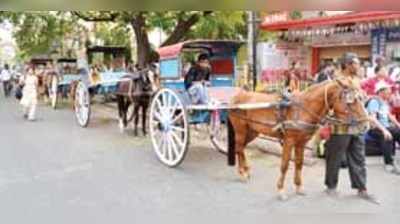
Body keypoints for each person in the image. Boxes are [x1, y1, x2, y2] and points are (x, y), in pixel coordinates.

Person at [324, 52, 378, 203]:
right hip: (341, 125)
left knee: (359, 157)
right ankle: (331, 186)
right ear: (347, 65)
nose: (359, 66)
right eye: (356, 63)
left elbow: (361, 99)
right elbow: (328, 103)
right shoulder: (336, 81)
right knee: (335, 157)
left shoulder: (357, 80)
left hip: (358, 124)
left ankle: (362, 188)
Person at [366, 81, 400, 175]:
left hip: (386, 126)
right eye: (388, 90)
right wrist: (384, 130)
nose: (390, 92)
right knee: (387, 136)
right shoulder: (374, 102)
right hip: (375, 128)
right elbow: (372, 119)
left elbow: (389, 116)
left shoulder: (384, 102)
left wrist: (398, 124)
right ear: (381, 92)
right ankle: (389, 163)